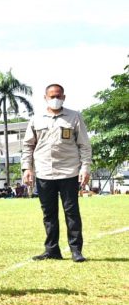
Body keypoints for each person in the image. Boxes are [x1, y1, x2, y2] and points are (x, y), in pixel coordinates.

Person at [22, 83, 92, 262]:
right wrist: (27, 168)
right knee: (49, 213)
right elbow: (28, 146)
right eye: (52, 96)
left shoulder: (74, 117)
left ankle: (76, 250)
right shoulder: (36, 119)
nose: (55, 99)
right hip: (44, 172)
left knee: (72, 212)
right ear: (45, 98)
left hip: (69, 171)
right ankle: (52, 250)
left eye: (58, 96)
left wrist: (85, 168)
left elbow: (84, 145)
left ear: (64, 97)